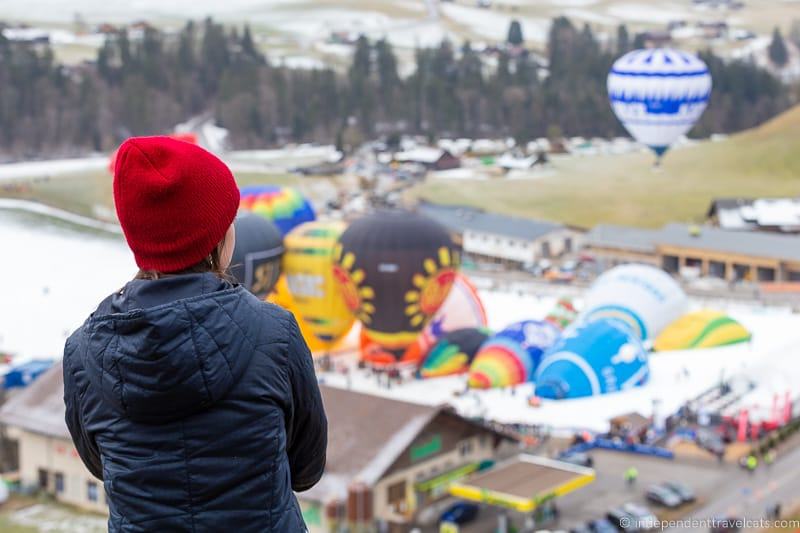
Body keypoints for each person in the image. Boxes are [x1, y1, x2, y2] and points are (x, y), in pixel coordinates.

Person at [63, 137, 327, 532]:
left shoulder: (83, 351)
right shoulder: (275, 332)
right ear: (217, 237)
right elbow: (306, 467)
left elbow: (101, 465)